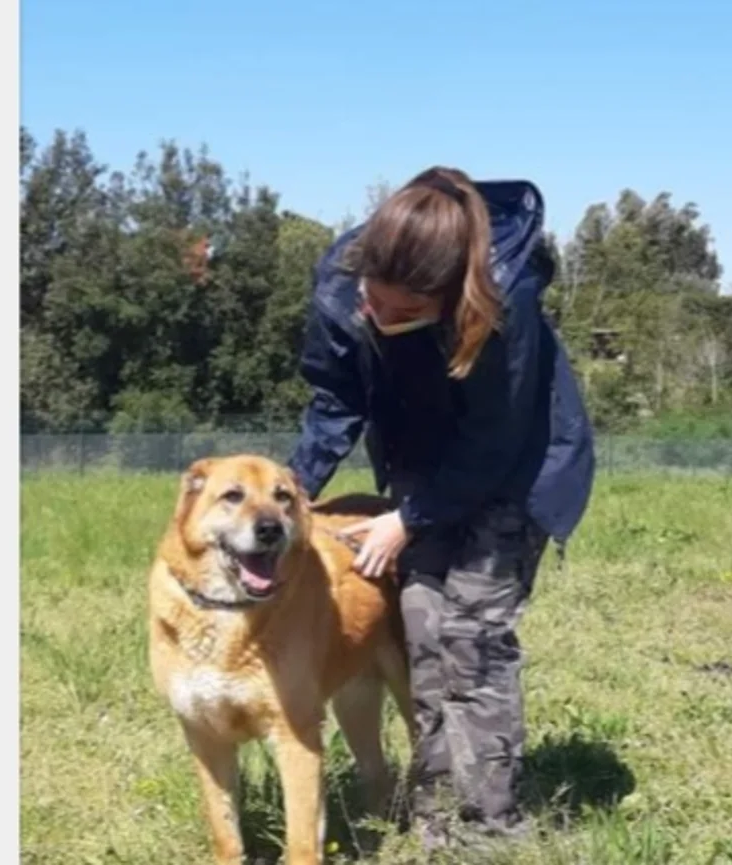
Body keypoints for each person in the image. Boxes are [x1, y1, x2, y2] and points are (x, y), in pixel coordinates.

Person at [286, 166, 595, 850]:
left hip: (517, 467)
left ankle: (490, 830)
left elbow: (495, 439)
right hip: (424, 463)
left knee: (473, 638)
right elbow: (336, 397)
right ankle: (437, 818)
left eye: (405, 313)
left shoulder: (502, 299)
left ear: (452, 292)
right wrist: (292, 490)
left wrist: (406, 519)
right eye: (375, 302)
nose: (381, 319)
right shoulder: (342, 279)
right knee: (423, 626)